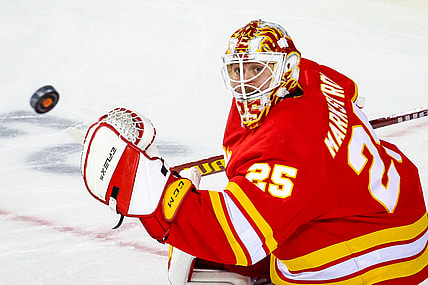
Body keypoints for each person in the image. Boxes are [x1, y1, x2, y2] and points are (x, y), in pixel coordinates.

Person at [80, 20, 428, 284]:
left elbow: (235, 237)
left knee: (277, 261)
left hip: (384, 252)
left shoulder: (287, 151)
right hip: (395, 205)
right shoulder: (309, 75)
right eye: (237, 70)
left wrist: (155, 196)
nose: (245, 84)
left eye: (257, 71)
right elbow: (351, 98)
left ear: (285, 69)